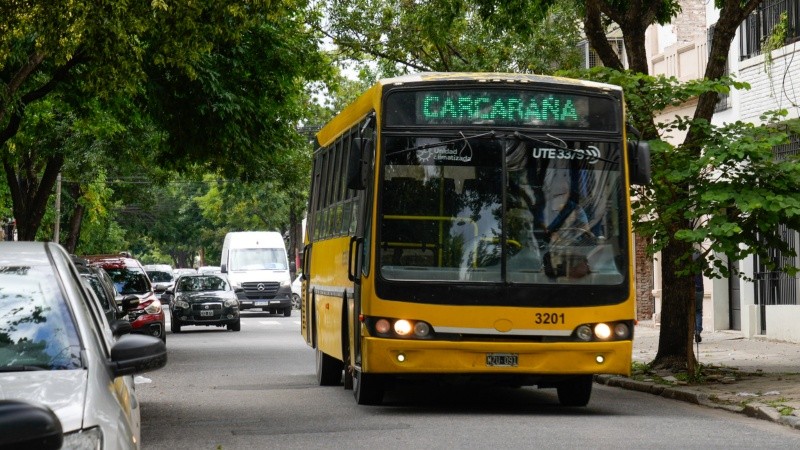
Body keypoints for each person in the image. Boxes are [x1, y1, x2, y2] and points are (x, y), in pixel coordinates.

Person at [694, 252, 704, 343]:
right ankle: (697, 331)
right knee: (698, 311)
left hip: (687, 289)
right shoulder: (698, 254)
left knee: (689, 311)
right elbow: (706, 268)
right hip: (699, 288)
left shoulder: (682, 254)